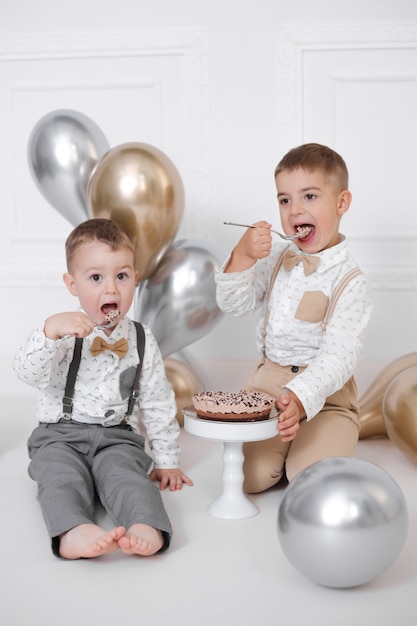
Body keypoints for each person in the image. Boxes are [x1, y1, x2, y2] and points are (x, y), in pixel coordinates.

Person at [14, 218, 193, 560]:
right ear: (72, 284)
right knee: (59, 477)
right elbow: (27, 372)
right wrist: (49, 332)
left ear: (135, 279)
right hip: (59, 435)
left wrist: (167, 460)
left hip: (117, 436)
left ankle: (146, 524)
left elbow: (157, 399)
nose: (111, 290)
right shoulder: (62, 332)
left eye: (121, 276)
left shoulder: (141, 338)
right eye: (96, 278)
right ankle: (72, 530)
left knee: (129, 477)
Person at [215, 143, 373, 493]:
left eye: (310, 197)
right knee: (247, 479)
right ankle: (279, 452)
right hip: (267, 383)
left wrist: (301, 398)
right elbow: (235, 304)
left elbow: (338, 357)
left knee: (310, 480)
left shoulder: (350, 280)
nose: (294, 209)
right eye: (284, 200)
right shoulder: (275, 257)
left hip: (327, 396)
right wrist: (242, 256)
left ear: (341, 203)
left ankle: (321, 440)